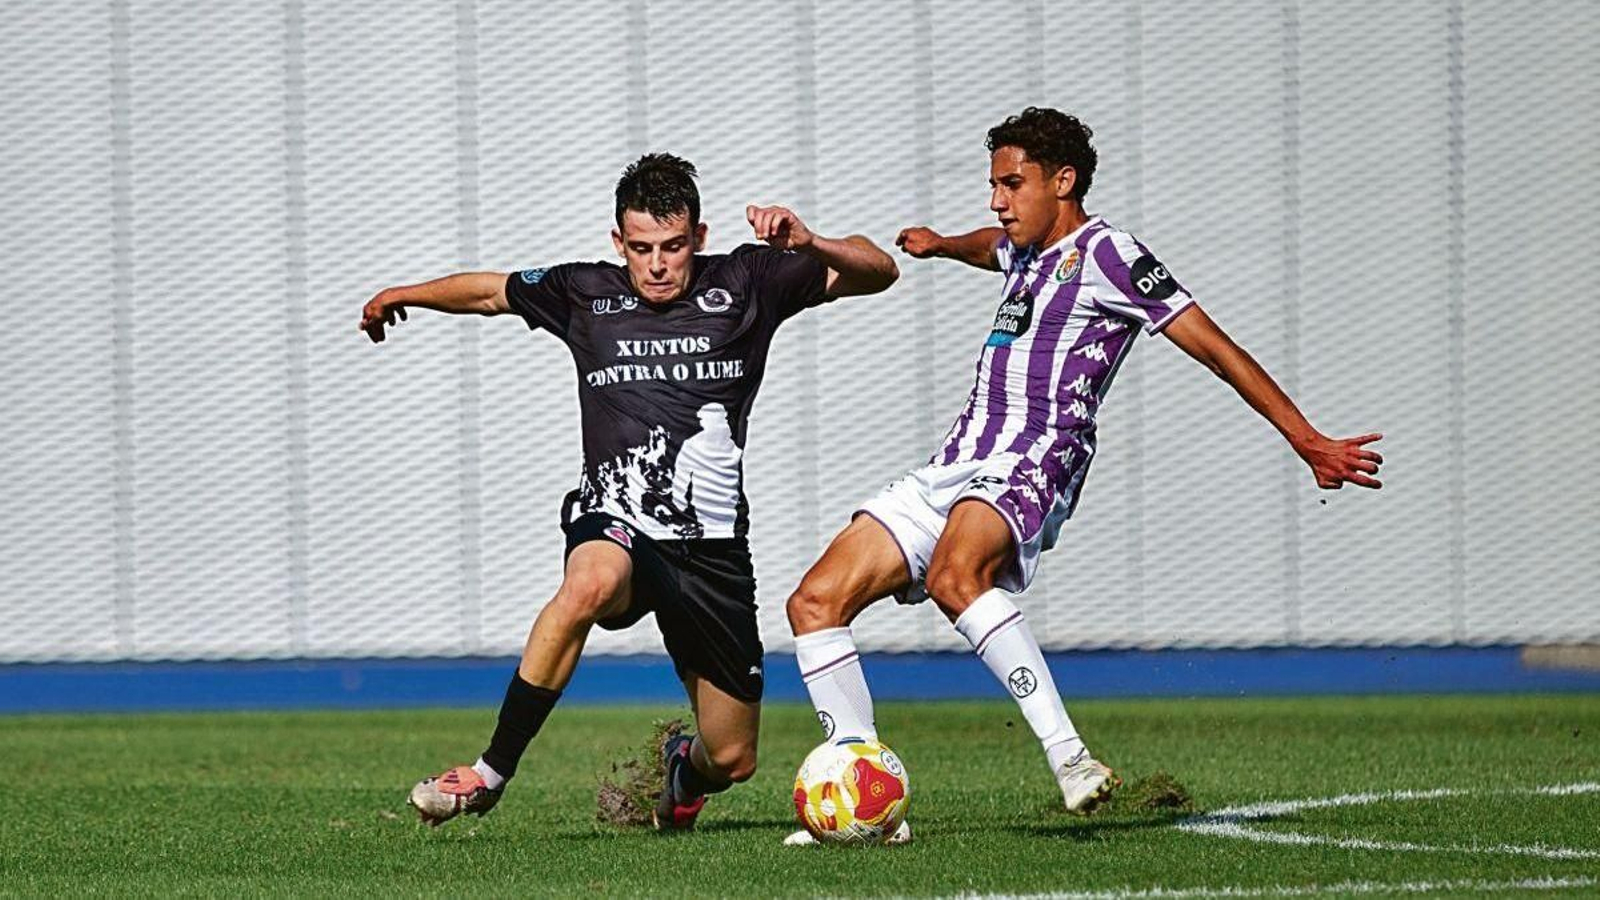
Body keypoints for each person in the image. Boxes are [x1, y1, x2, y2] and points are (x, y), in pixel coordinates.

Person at [782, 108, 1384, 844]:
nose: (997, 202)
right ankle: (860, 787)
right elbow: (991, 248)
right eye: (994, 186)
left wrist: (1306, 438)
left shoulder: (1112, 254)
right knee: (813, 602)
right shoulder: (1023, 250)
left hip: (1036, 456)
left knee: (954, 576)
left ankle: (1070, 757)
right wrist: (942, 247)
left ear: (1062, 181)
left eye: (1012, 185)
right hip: (958, 459)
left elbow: (1217, 349)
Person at [359, 153, 898, 829]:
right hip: (616, 519)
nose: (658, 265)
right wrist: (402, 294)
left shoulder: (749, 278)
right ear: (619, 243)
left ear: (699, 238)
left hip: (710, 551)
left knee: (731, 758)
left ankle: (681, 768)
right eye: (641, 248)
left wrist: (810, 240)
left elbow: (880, 270)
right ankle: (490, 773)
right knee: (588, 583)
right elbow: (489, 292)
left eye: (673, 247)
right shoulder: (587, 295)